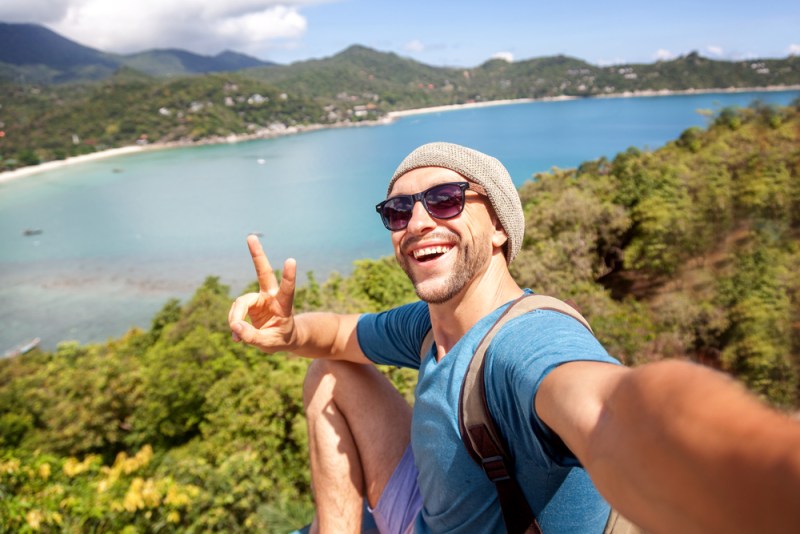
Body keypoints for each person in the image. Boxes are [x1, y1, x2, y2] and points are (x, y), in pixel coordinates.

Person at [228, 142, 800, 534]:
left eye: (446, 200)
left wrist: (752, 465)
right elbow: (339, 336)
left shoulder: (524, 344)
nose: (419, 222)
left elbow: (609, 409)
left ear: (500, 225)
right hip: (427, 511)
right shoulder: (428, 325)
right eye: (398, 211)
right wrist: (288, 331)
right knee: (329, 371)